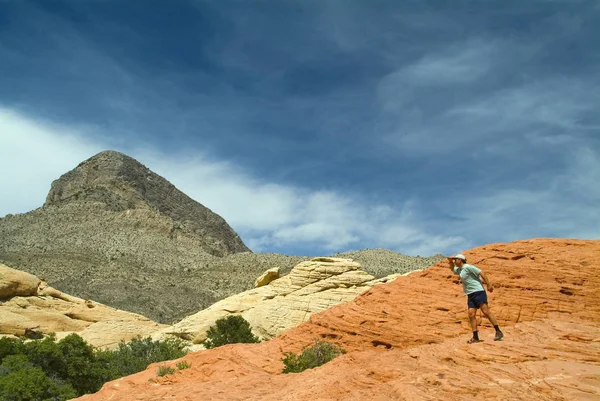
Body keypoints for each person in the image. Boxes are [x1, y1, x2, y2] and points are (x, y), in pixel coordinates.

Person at [448, 254, 504, 343]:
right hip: (470, 294)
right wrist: (450, 261)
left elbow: (481, 272)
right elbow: (452, 269)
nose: (455, 261)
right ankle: (475, 337)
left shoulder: (468, 267)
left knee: (485, 311)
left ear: (461, 260)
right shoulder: (459, 270)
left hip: (478, 291)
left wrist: (488, 284)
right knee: (471, 314)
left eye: (456, 260)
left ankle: (498, 331)